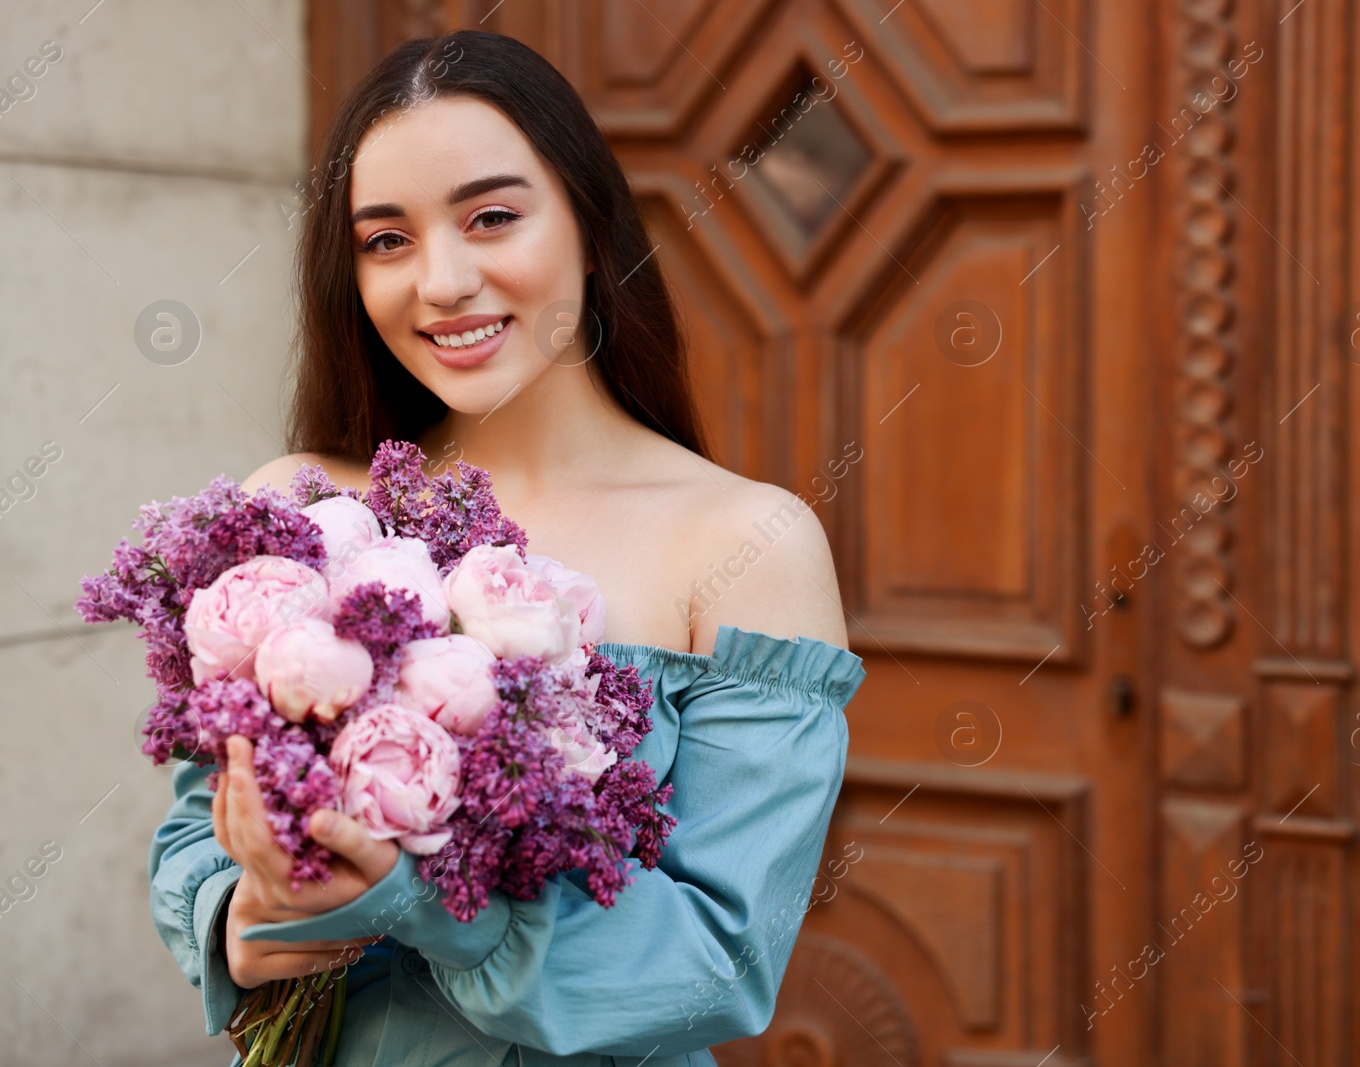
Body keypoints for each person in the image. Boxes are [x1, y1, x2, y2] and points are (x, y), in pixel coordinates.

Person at [145, 30, 865, 1067]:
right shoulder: (296, 509)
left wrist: (418, 895)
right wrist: (246, 918)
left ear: (587, 224)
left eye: (491, 217)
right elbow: (190, 838)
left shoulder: (745, 541)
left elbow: (720, 960)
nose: (440, 281)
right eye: (385, 240)